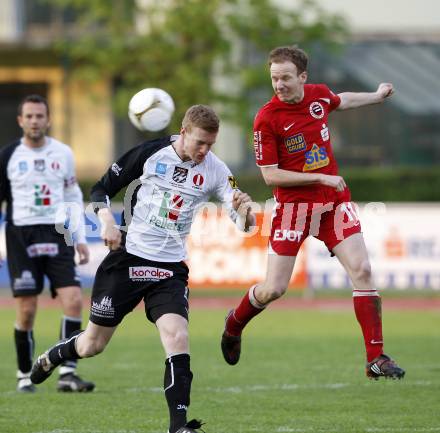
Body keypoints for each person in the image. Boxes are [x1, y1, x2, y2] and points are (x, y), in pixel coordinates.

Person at [30, 105, 255, 433]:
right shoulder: (151, 153)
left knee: (177, 336)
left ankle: (178, 426)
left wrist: (245, 211)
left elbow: (241, 220)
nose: (205, 151)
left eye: (211, 144)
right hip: (128, 259)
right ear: (183, 131)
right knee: (93, 345)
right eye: (200, 143)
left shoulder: (218, 170)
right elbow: (100, 189)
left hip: (170, 269)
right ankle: (54, 355)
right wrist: (106, 222)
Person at [221, 45, 405, 380]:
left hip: (334, 202)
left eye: (286, 78)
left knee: (362, 269)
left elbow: (341, 100)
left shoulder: (318, 96)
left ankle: (376, 358)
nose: (279, 84)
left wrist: (377, 96)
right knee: (274, 289)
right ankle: (234, 323)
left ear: (302, 77)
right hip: (293, 209)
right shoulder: (267, 118)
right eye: (274, 78)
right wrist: (319, 175)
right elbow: (270, 174)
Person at [0, 94, 94, 393]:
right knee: (27, 308)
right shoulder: (8, 156)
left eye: (39, 116)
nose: (34, 121)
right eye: (29, 116)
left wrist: (79, 236)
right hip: (21, 235)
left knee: (74, 300)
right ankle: (25, 374)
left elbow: (72, 195)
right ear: (20, 121)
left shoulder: (63, 153)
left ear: (48, 119)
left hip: (57, 232)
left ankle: (67, 372)